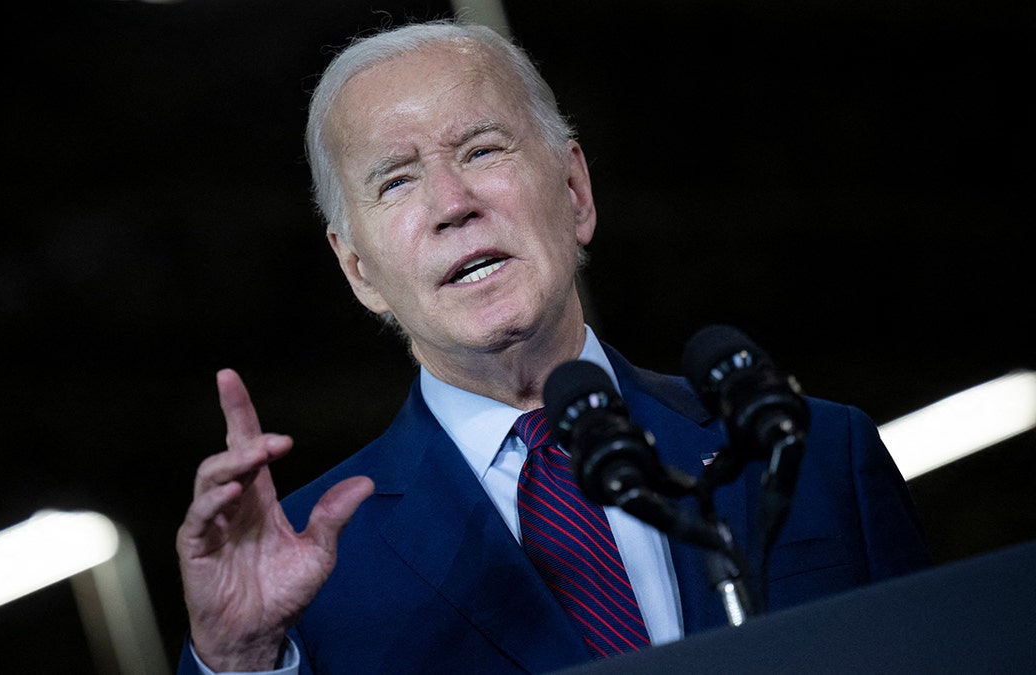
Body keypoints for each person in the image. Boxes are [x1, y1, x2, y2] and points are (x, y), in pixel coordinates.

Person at [174, 19, 930, 675]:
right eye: (397, 181)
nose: (452, 204)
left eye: (481, 150)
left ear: (574, 192)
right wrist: (241, 661)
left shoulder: (813, 452)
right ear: (359, 269)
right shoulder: (306, 570)